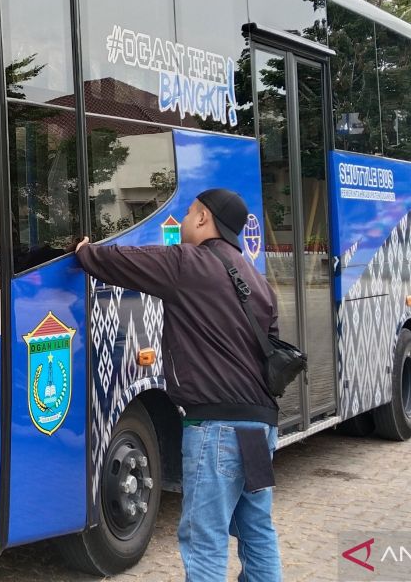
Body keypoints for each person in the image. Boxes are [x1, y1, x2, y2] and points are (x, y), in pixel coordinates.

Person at [75, 188, 282, 582]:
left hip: (215, 429)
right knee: (257, 532)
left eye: (188, 213)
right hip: (261, 426)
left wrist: (85, 252)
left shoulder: (190, 263)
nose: (184, 221)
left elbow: (126, 263)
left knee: (204, 539)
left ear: (204, 218)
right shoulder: (257, 280)